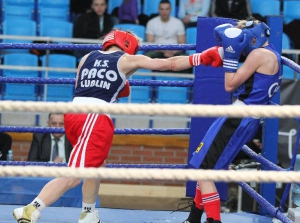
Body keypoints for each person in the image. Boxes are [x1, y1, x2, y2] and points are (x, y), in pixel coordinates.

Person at [13, 29, 227, 223]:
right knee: (74, 175)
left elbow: (82, 87)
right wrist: (201, 57)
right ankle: (31, 209)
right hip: (94, 118)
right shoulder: (126, 60)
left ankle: (88, 213)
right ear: (128, 44)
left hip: (74, 115)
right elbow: (169, 64)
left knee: (97, 166)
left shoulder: (86, 58)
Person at [183, 18, 282, 223]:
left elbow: (229, 85)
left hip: (240, 117)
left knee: (205, 172)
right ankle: (193, 219)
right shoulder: (271, 53)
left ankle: (212, 220)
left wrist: (230, 57)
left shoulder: (258, 55)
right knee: (205, 164)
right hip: (243, 117)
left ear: (253, 38)